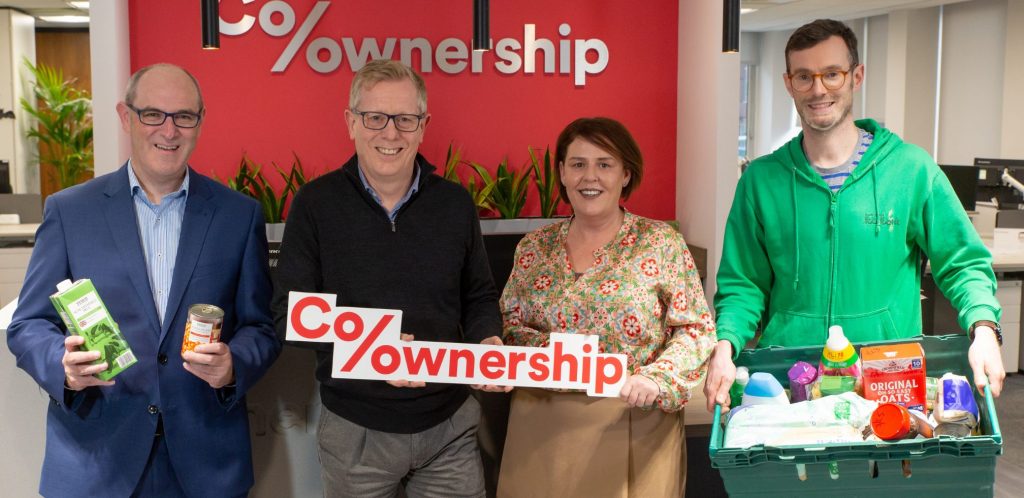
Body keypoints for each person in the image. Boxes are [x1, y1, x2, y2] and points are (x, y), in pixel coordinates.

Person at [6, 63, 280, 497]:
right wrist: (62, 365)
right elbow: (28, 325)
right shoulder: (70, 211)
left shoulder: (238, 215)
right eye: (153, 114)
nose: (169, 131)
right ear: (126, 116)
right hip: (96, 460)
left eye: (184, 116)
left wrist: (234, 365)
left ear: (200, 122)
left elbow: (261, 326)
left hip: (204, 462)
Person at [706, 19, 1006, 413]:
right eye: (804, 76)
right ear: (788, 82)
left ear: (856, 76)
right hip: (790, 386)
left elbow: (962, 263)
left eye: (832, 74)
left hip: (888, 381)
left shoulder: (911, 170)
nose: (818, 89)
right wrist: (725, 344)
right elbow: (743, 284)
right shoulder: (761, 182)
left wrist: (983, 329)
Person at [272, 59, 505, 498]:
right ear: (351, 122)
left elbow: (478, 295)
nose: (391, 133)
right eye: (375, 118)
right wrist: (374, 346)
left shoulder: (455, 204)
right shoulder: (315, 204)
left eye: (405, 119)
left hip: (449, 427)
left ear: (423, 125)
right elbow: (288, 313)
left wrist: (486, 339)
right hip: (355, 430)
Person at [497, 117, 716, 497]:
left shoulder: (660, 242)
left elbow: (695, 330)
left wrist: (657, 378)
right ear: (562, 173)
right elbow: (510, 324)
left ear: (626, 174)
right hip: (539, 426)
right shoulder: (533, 248)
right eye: (578, 164)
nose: (590, 176)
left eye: (605, 164)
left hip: (632, 421)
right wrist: (540, 355)